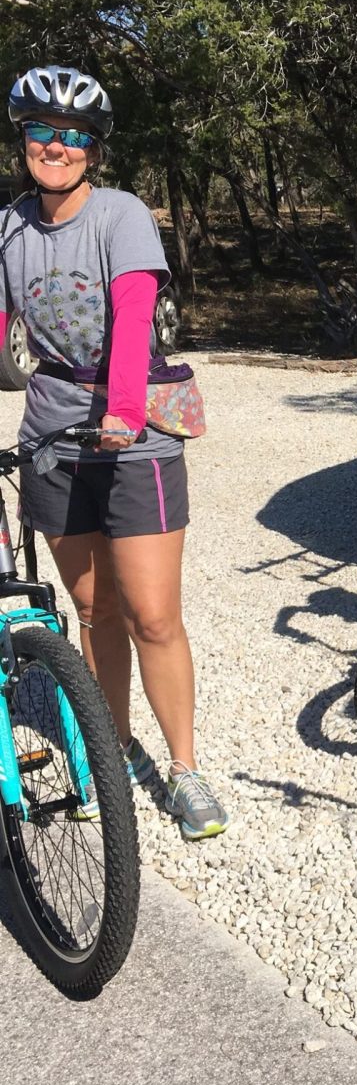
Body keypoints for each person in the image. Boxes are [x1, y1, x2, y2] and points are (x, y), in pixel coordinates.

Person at [1, 64, 227, 839]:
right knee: (93, 611)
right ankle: (113, 747)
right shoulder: (9, 228)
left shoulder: (122, 215)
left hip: (134, 437)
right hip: (53, 436)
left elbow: (133, 319)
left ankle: (185, 768)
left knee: (153, 614)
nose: (55, 147)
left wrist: (125, 413)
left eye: (73, 137)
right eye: (42, 132)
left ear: (93, 150)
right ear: (21, 137)